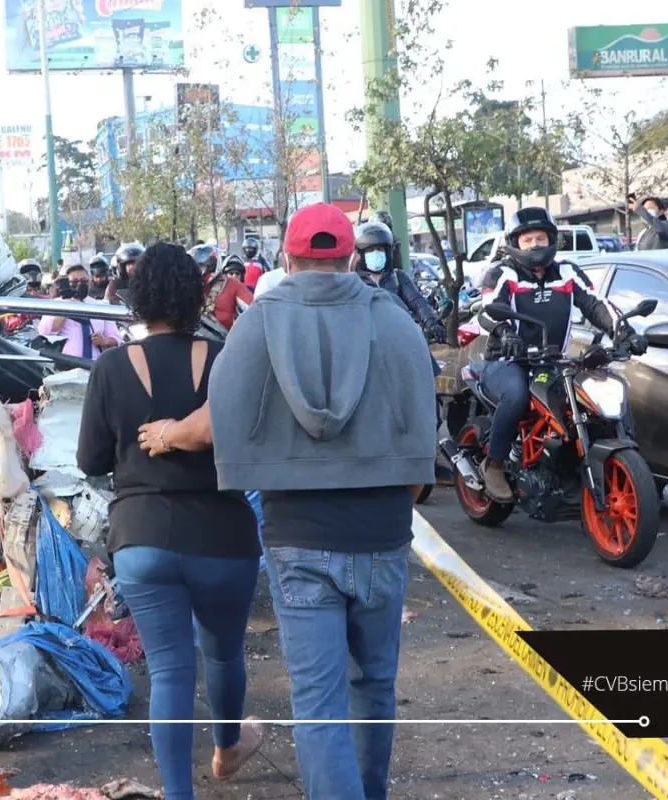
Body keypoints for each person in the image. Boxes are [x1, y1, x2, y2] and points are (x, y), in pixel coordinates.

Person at [138, 203, 438, 799]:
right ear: (351, 256)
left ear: (289, 257)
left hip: (297, 536)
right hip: (382, 534)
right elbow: (424, 442)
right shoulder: (397, 322)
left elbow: (219, 421)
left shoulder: (258, 324)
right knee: (375, 685)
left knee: (318, 702)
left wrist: (168, 434)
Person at [76, 242, 264, 800]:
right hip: (224, 536)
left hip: (142, 538)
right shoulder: (223, 355)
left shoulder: (110, 368)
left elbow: (90, 462)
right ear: (196, 295)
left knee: (170, 672)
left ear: (137, 298)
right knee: (225, 653)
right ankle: (227, 749)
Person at [476, 207, 645, 502]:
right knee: (516, 395)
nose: (535, 245)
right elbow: (487, 310)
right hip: (506, 360)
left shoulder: (566, 271)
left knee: (591, 396)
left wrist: (625, 333)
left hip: (552, 359)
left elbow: (595, 305)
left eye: (541, 237)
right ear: (515, 244)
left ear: (552, 239)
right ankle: (495, 463)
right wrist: (505, 333)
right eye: (528, 239)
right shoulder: (502, 272)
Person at [353, 221, 446, 344]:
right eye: (370, 250)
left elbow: (417, 301)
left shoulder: (398, 277)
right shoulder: (354, 282)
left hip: (400, 339)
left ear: (387, 252)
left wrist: (432, 323)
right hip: (369, 344)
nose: (375, 253)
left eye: (379, 249)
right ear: (361, 254)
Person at [38, 264, 123, 359]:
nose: (79, 285)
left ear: (90, 282)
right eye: (74, 281)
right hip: (65, 366)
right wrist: (68, 307)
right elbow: (45, 333)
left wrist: (104, 341)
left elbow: (117, 339)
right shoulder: (55, 305)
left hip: (94, 365)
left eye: (83, 281)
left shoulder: (100, 307)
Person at [191, 244, 251, 331]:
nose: (197, 271)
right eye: (195, 267)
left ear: (212, 265)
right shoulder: (186, 286)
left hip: (223, 341)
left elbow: (255, 310)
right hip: (190, 340)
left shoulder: (232, 284)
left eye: (201, 267)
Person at [105, 242, 145, 307]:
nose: (134, 267)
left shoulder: (149, 284)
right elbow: (107, 307)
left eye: (137, 264)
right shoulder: (114, 285)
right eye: (130, 264)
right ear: (121, 267)